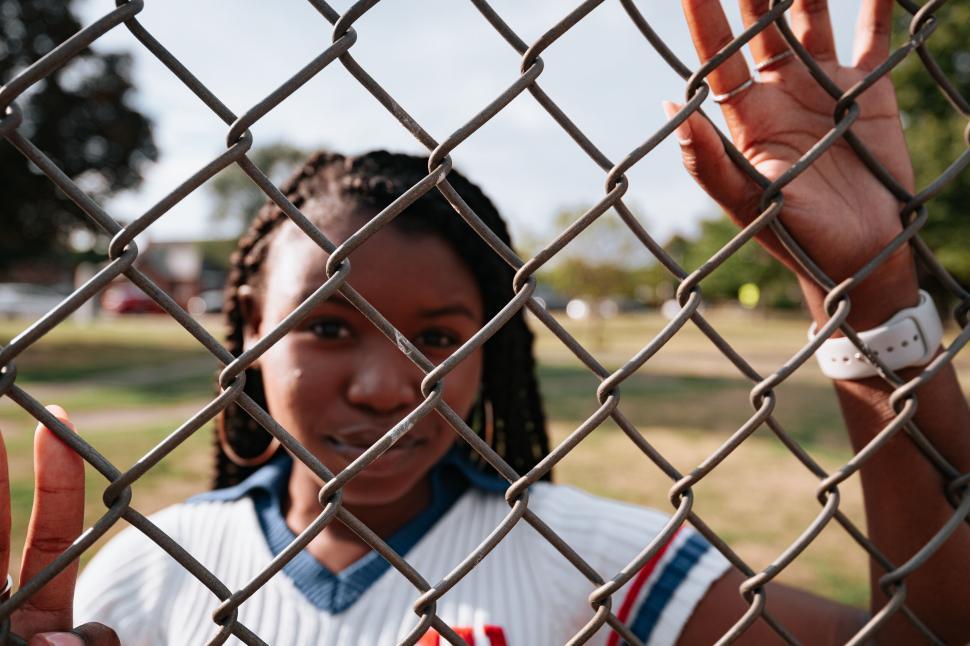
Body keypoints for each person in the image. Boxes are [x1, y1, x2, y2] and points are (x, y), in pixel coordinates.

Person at [3, 0, 969, 644]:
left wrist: (871, 284)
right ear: (247, 329)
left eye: (438, 338)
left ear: (495, 345)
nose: (388, 388)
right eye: (329, 328)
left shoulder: (596, 564)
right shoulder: (143, 575)